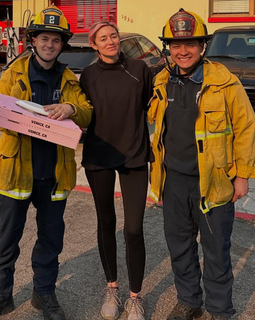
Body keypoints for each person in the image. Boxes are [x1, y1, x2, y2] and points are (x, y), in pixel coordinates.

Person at [0, 5, 92, 320]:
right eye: (44, 39)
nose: (49, 45)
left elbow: (87, 110)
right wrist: (24, 119)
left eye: (56, 40)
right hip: (15, 173)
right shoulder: (13, 72)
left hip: (53, 174)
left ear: (62, 44)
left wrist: (69, 108)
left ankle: (44, 295)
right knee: (6, 241)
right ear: (33, 40)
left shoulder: (67, 78)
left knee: (51, 241)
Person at [147, 8, 255, 320]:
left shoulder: (225, 82)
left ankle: (221, 310)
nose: (183, 51)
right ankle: (189, 300)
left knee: (216, 251)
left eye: (191, 44)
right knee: (179, 247)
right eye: (176, 45)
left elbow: (246, 128)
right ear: (168, 47)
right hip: (173, 181)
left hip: (214, 182)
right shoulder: (161, 81)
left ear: (202, 46)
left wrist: (243, 176)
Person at [80, 21, 153, 320]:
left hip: (134, 155)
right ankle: (112, 287)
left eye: (114, 36)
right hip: (99, 156)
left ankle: (135, 297)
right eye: (103, 38)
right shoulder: (88, 75)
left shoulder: (139, 69)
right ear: (94, 45)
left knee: (133, 229)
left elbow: (150, 105)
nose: (110, 41)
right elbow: (83, 111)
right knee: (105, 222)